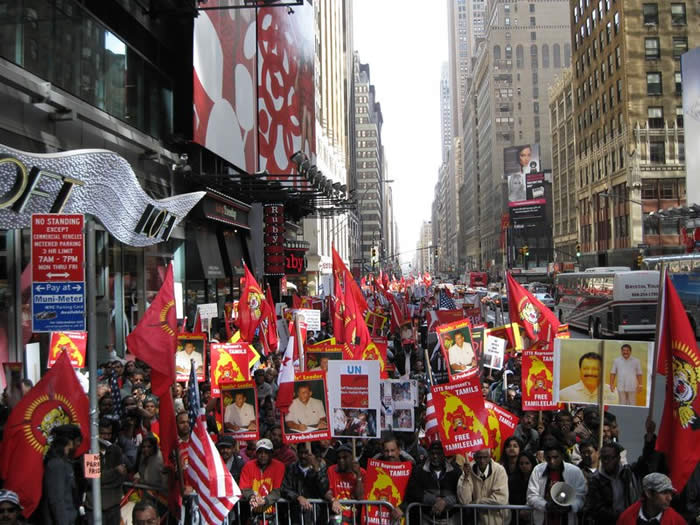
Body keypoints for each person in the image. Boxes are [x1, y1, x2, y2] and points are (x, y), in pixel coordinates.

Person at [526, 442, 587, 525]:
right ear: (544, 457)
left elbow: (581, 496)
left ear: (562, 456)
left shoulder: (575, 471)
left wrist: (570, 507)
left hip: (567, 520)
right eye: (548, 458)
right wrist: (546, 505)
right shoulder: (537, 470)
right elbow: (531, 495)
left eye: (555, 457)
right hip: (543, 520)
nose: (552, 461)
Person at [584, 442, 641, 523]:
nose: (605, 461)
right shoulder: (596, 480)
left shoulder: (627, 474)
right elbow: (597, 508)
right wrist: (622, 516)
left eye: (608, 458)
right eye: (603, 458)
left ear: (618, 458)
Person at [406, 441, 461, 525]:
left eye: (438, 453)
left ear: (444, 454)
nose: (435, 456)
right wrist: (434, 500)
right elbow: (413, 491)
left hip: (451, 518)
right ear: (428, 453)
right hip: (426, 518)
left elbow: (460, 493)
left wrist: (445, 501)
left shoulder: (455, 470)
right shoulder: (419, 470)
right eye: (432, 453)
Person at [40, 425, 82, 524]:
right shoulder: (56, 464)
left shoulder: (66, 462)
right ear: (69, 441)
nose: (79, 444)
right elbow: (57, 500)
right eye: (78, 440)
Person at [458, 448, 510, 525]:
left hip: (499, 520)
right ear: (474, 458)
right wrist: (466, 477)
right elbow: (464, 501)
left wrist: (476, 503)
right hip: (477, 521)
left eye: (485, 457)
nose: (482, 461)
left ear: (490, 457)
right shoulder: (468, 470)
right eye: (479, 457)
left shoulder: (499, 470)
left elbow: (501, 500)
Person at [239, 439, 286, 521]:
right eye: (260, 452)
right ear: (256, 453)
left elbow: (278, 490)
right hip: (252, 513)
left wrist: (265, 500)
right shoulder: (248, 466)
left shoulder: (279, 466)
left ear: (271, 453)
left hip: (274, 514)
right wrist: (252, 497)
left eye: (266, 452)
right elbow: (245, 487)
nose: (263, 455)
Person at [281, 445, 329, 524]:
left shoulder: (322, 469)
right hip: (295, 516)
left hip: (316, 516)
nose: (303, 456)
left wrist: (317, 469)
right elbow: (284, 488)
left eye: (306, 453)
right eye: (301, 453)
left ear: (312, 455)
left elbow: (325, 489)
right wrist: (297, 497)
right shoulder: (291, 468)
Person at [616, 473, 685, 525]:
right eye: (664, 493)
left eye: (671, 493)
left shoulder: (676, 521)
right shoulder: (626, 518)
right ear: (648, 493)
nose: (670, 498)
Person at [326, 445, 364, 524]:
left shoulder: (362, 472)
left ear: (352, 458)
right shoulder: (331, 470)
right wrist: (333, 500)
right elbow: (328, 491)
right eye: (339, 458)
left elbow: (360, 497)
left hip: (356, 519)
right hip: (338, 518)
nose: (341, 460)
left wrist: (358, 476)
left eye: (345, 457)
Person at [508, 452, 536, 523]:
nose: (524, 466)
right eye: (521, 463)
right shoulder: (512, 479)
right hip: (516, 516)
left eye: (527, 463)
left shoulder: (537, 479)